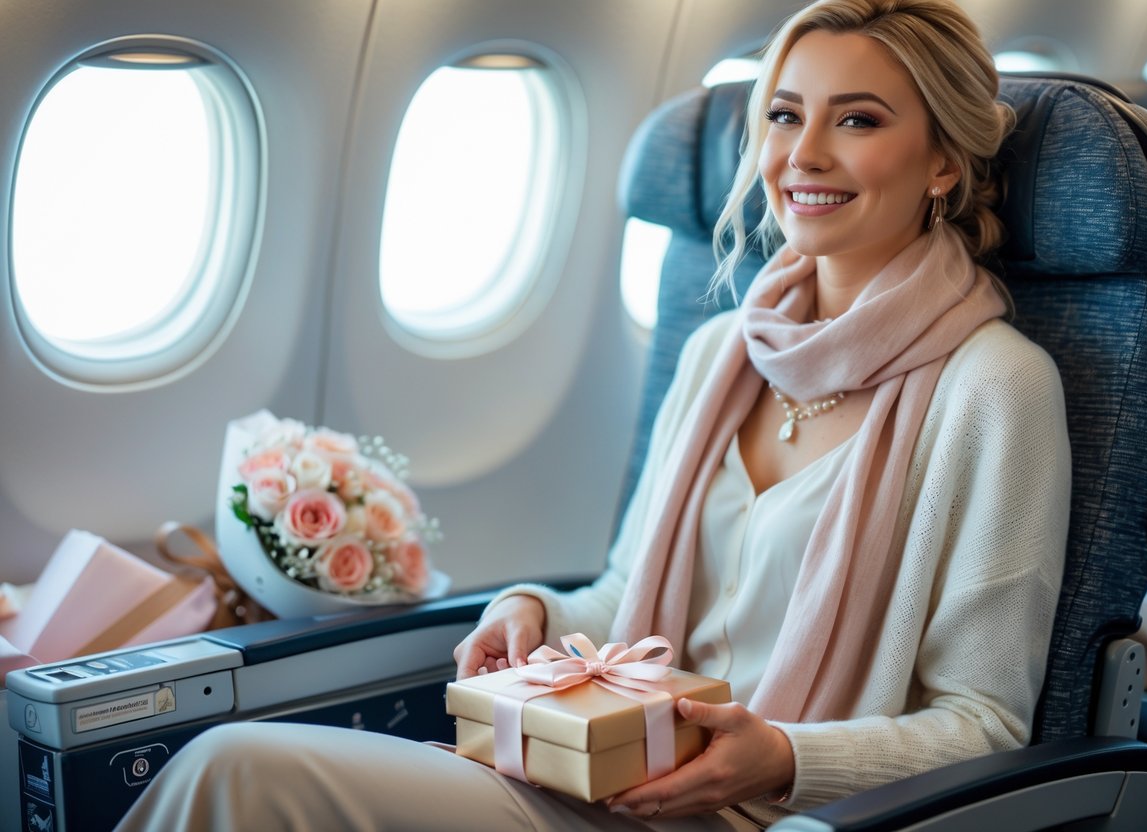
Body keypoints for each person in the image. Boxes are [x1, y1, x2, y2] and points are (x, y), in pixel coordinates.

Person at [115, 0, 1069, 829]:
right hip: (603, 782)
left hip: (782, 817)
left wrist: (783, 758)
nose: (803, 155)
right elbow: (624, 601)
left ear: (942, 161)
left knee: (235, 771)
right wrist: (529, 609)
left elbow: (983, 725)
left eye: (856, 120)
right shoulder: (722, 355)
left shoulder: (993, 387)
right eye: (783, 116)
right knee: (231, 763)